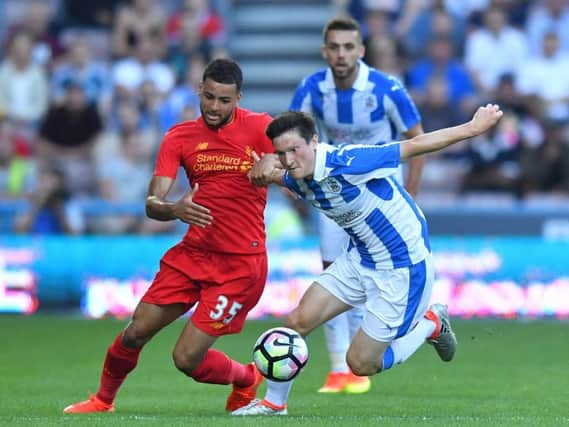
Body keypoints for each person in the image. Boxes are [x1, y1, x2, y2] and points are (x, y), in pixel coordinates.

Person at [233, 104, 503, 416]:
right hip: (360, 258)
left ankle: (430, 324)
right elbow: (282, 176)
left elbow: (413, 145)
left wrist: (472, 128)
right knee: (296, 322)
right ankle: (274, 404)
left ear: (315, 142)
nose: (289, 159)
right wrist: (266, 173)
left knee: (360, 363)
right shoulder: (297, 175)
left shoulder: (348, 160)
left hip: (402, 267)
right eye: (281, 153)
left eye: (294, 149)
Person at [63, 58, 274, 414]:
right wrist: (173, 209)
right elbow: (152, 202)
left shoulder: (261, 127)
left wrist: (275, 162)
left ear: (239, 98)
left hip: (240, 264)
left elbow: (302, 145)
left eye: (224, 100)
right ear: (199, 91)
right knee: (135, 331)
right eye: (208, 97)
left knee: (186, 359)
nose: (214, 107)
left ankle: (246, 378)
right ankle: (102, 401)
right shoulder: (179, 136)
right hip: (193, 254)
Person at [288, 16, 425, 394]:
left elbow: (417, 140)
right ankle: (337, 368)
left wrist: (410, 193)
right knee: (331, 274)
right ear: (324, 51)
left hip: (381, 201)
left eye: (349, 47)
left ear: (361, 51)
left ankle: (358, 362)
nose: (341, 54)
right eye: (334, 47)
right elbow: (290, 137)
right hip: (335, 194)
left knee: (370, 274)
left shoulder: (386, 89)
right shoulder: (311, 89)